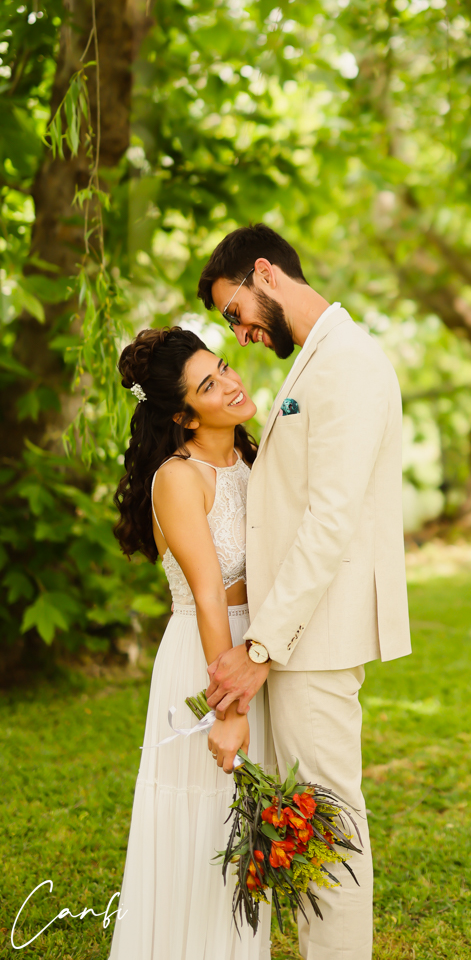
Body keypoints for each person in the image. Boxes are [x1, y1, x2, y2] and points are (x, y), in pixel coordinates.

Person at [198, 224, 412, 960]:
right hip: (295, 633)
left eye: (236, 312)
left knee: (327, 816)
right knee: (300, 815)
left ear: (266, 273)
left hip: (315, 636)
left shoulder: (348, 361)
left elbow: (331, 517)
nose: (241, 333)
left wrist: (260, 644)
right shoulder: (314, 360)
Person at [109, 326, 273, 960]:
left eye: (224, 367)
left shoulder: (251, 460)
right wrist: (227, 710)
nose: (231, 383)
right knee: (203, 817)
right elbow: (209, 595)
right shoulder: (179, 477)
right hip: (208, 659)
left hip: (253, 652)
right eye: (210, 385)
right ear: (182, 414)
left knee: (244, 820)